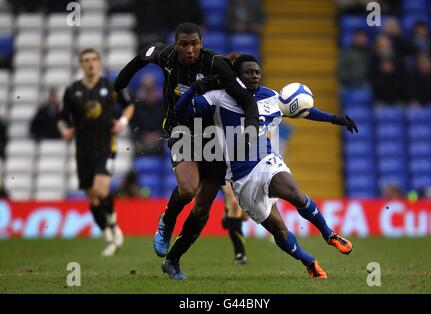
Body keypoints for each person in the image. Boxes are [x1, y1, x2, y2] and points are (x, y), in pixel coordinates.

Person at [173, 55, 358, 280]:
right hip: (241, 180)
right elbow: (181, 110)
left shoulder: (270, 97)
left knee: (295, 194)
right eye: (249, 72)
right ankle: (308, 261)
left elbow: (301, 110)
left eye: (257, 72)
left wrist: (335, 119)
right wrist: (194, 89)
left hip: (266, 161)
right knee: (279, 230)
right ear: (236, 76)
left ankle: (329, 235)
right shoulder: (217, 98)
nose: (255, 76)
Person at [114, 23, 260, 262]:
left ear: (201, 44)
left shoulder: (215, 64)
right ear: (176, 45)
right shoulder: (165, 55)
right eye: (184, 44)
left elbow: (246, 98)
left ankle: (174, 259)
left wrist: (252, 127)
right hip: (179, 129)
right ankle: (167, 222)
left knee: (202, 210)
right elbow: (141, 58)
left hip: (212, 136)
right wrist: (119, 84)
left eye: (194, 44)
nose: (189, 49)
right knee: (189, 189)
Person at [58, 48, 135, 256]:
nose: (90, 63)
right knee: (92, 198)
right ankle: (109, 234)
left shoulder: (110, 87)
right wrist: (65, 130)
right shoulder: (72, 90)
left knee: (101, 191)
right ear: (81, 64)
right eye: (86, 60)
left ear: (99, 63)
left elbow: (129, 106)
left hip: (105, 146)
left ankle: (114, 226)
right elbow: (62, 117)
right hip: (82, 150)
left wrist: (122, 122)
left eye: (94, 60)